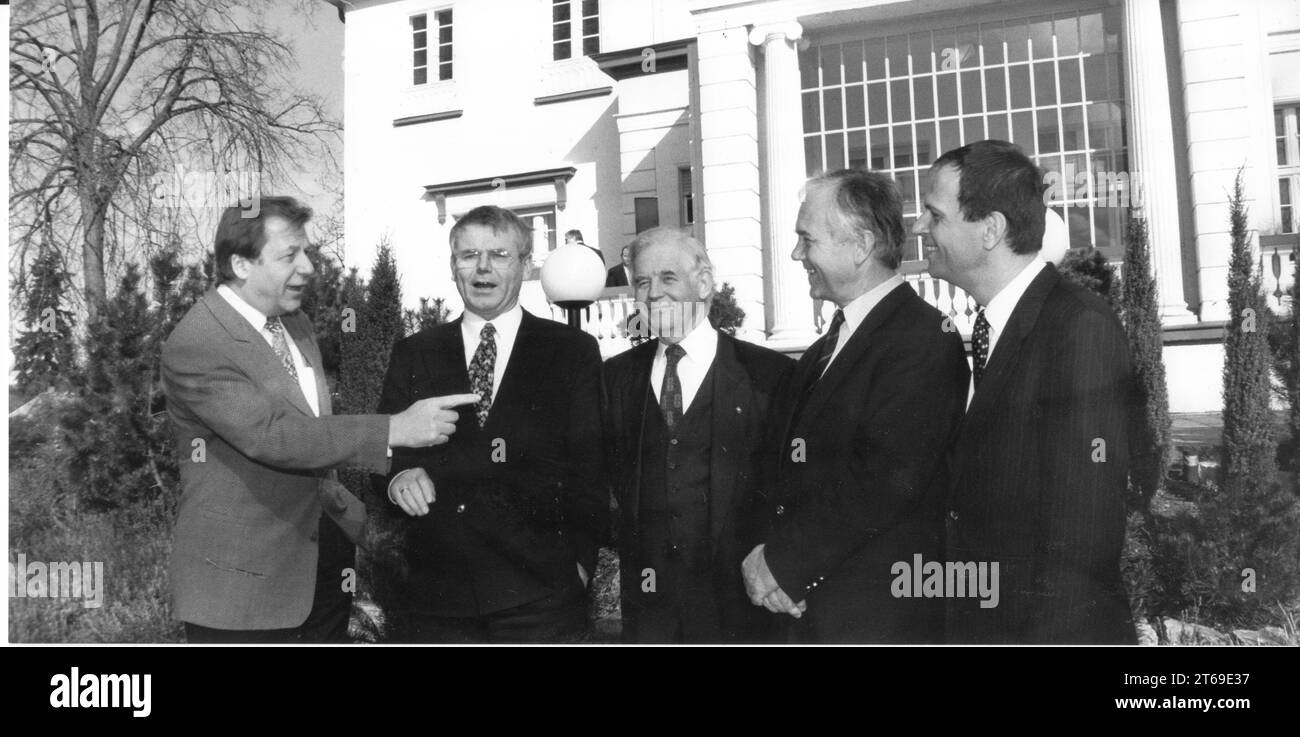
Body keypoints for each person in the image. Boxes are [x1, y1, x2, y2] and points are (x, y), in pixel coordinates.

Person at [162, 197, 476, 643]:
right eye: (290, 255)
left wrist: (371, 518)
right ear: (240, 264)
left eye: (306, 252)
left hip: (322, 573)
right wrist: (393, 429)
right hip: (241, 596)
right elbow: (273, 435)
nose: (309, 267)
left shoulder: (296, 324)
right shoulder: (199, 343)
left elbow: (315, 435)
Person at [913, 140, 1136, 644]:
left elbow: (1082, 542)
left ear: (990, 229)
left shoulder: (1078, 328)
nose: (920, 228)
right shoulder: (986, 331)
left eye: (934, 214)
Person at [742, 169, 969, 643]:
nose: (795, 254)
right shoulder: (828, 345)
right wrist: (769, 564)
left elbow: (887, 480)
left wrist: (785, 565)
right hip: (810, 615)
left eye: (807, 239)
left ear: (861, 245)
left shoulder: (923, 339)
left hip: (875, 623)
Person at [378, 205, 606, 643]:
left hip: (541, 595)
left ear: (525, 265)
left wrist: (579, 565)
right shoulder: (414, 352)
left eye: (499, 255)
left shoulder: (571, 351)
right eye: (469, 255)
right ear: (453, 266)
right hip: (439, 596)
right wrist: (399, 477)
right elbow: (383, 450)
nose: (482, 267)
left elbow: (590, 469)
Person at [604, 227, 794, 643]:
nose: (653, 293)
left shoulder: (769, 376)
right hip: (650, 615)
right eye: (641, 281)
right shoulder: (615, 379)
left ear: (704, 283)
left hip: (741, 615)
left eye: (668, 278)